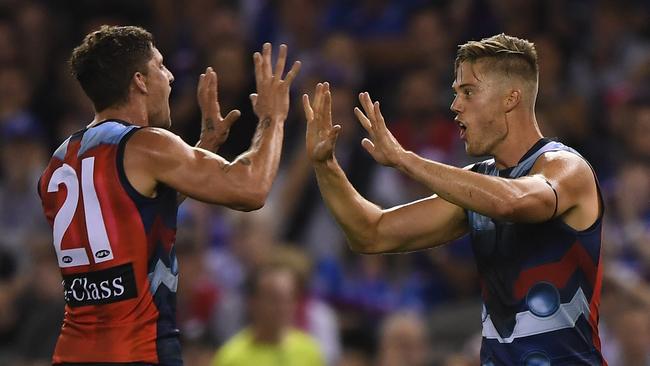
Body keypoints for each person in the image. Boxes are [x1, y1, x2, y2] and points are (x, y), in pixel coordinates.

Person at [303, 34, 605, 364]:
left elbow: (514, 203)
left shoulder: (567, 167)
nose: (455, 105)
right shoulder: (479, 183)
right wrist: (325, 166)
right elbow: (371, 233)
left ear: (510, 98)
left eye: (468, 92)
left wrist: (406, 159)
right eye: (456, 92)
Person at [37, 25, 300, 365]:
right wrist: (273, 118)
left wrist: (203, 149)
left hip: (72, 352)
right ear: (140, 82)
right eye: (160, 66)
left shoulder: (58, 163)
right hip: (140, 349)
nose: (171, 76)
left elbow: (131, 217)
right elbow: (251, 189)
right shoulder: (147, 144)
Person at [211, 262, 325, 366]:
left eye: (288, 299)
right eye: (274, 299)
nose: (283, 307)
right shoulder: (231, 358)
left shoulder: (309, 350)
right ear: (253, 303)